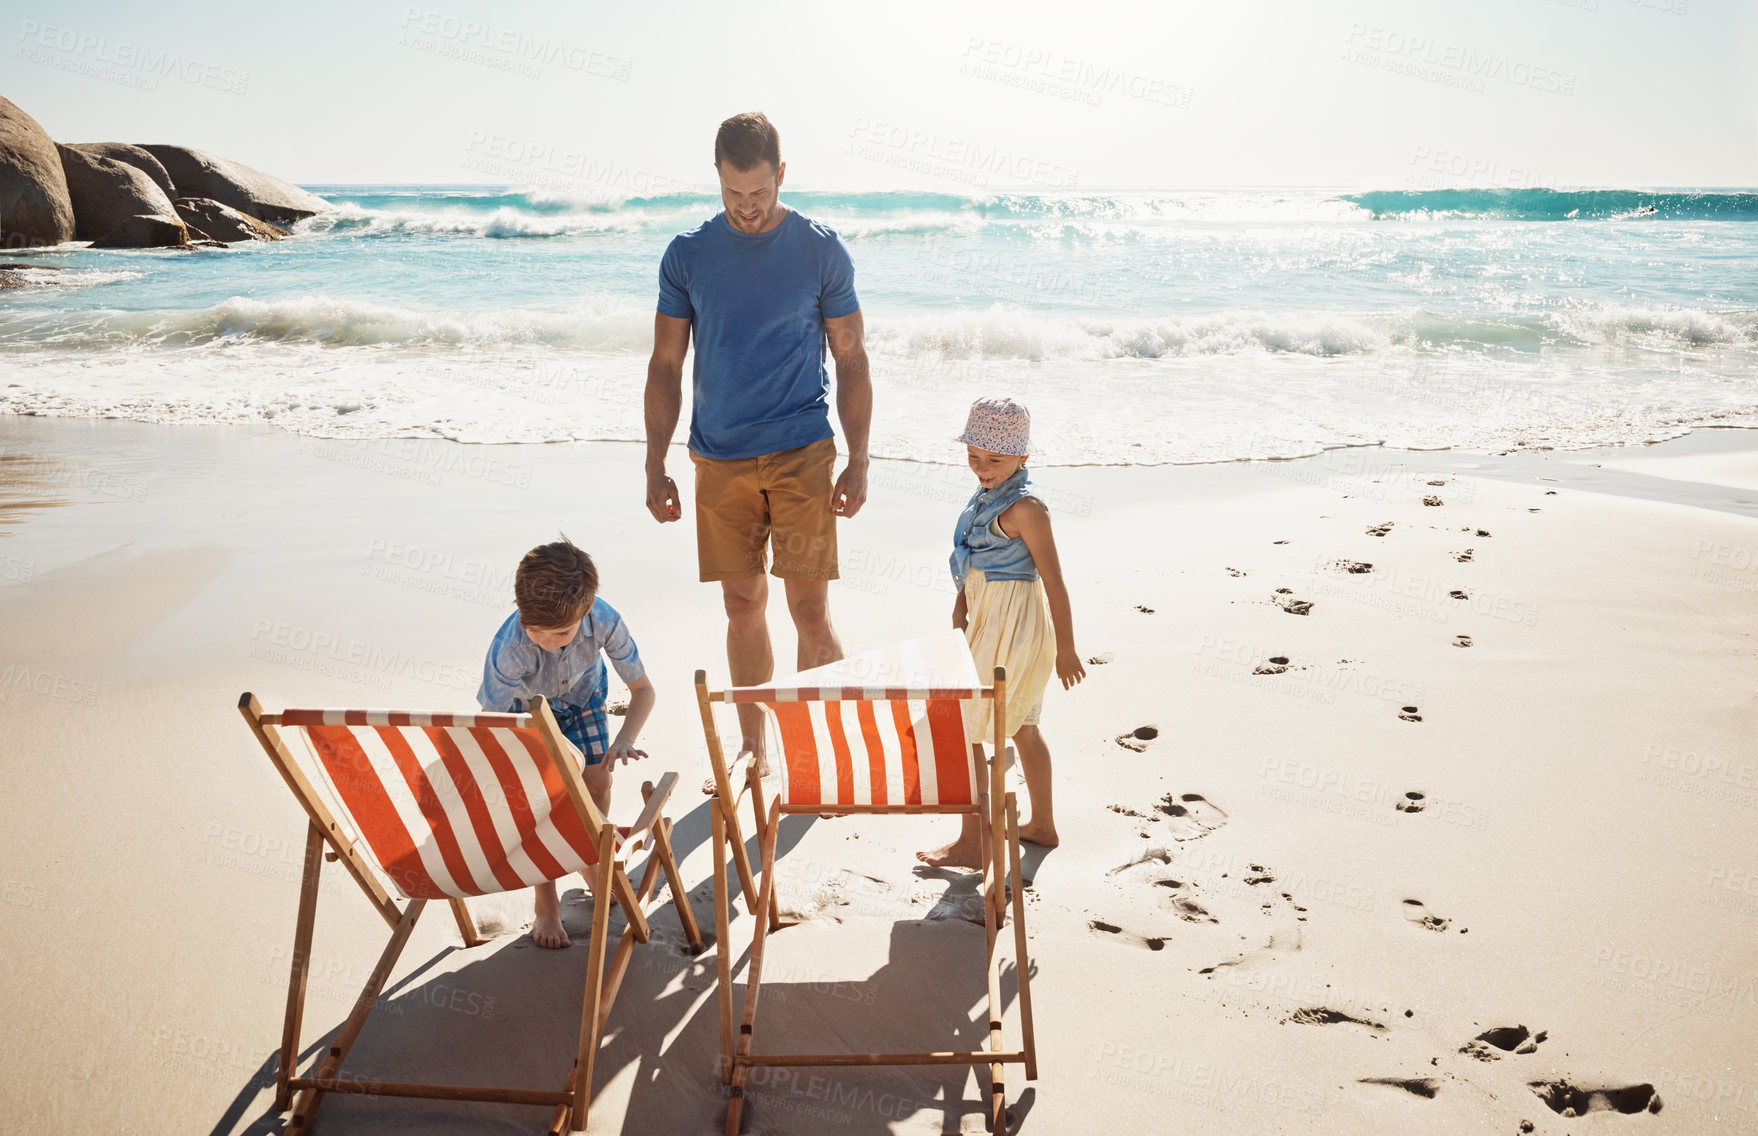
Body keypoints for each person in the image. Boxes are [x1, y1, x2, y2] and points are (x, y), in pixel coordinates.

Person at [643, 111, 872, 788]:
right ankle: (753, 752)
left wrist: (858, 459)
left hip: (803, 450)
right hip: (719, 459)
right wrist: (656, 461)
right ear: (717, 176)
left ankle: (819, 753)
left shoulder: (819, 249)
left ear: (781, 176)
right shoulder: (687, 254)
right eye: (734, 194)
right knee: (742, 606)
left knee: (809, 611)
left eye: (760, 194)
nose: (747, 208)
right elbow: (664, 364)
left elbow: (852, 358)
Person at [919, 398, 1084, 868]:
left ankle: (973, 843)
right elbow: (973, 560)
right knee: (1025, 727)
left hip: (1013, 627)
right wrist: (960, 602)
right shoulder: (984, 498)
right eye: (974, 457)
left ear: (1022, 458)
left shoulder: (1027, 509)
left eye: (995, 460)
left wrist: (1067, 649)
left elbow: (1053, 580)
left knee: (968, 729)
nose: (983, 468)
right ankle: (1043, 825)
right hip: (991, 619)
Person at [477, 539, 655, 948]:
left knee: (598, 784)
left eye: (560, 633)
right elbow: (488, 724)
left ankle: (587, 855)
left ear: (587, 608)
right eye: (534, 631)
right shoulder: (511, 649)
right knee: (546, 799)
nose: (546, 640)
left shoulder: (605, 620)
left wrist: (626, 739)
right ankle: (547, 901)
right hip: (526, 716)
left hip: (584, 699)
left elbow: (644, 690)